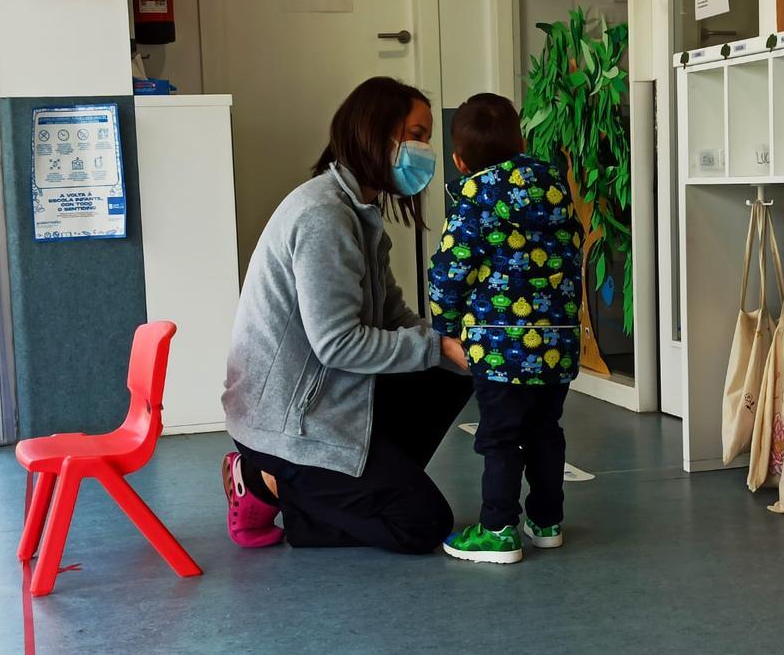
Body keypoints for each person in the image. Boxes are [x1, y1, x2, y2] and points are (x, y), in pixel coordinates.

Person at [220, 76, 473, 554]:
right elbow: (337, 343)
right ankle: (267, 482)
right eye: (416, 135)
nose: (426, 150)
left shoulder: (358, 210)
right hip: (287, 423)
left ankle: (360, 483)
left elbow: (393, 314)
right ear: (375, 133)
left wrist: (455, 347)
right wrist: (436, 345)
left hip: (326, 398)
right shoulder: (324, 216)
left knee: (448, 374)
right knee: (422, 524)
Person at [427, 93, 582, 564]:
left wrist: (444, 324)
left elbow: (452, 267)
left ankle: (497, 528)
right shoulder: (553, 183)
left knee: (500, 436)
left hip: (498, 346)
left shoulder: (474, 192)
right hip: (556, 340)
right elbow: (573, 245)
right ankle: (547, 520)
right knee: (545, 429)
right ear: (521, 140)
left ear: (459, 159)